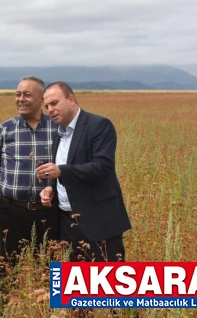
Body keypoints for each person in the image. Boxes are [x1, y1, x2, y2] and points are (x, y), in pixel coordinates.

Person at [37, 81, 132, 262]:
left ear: (71, 99)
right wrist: (50, 188)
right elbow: (60, 168)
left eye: (54, 103)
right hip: (66, 221)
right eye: (47, 106)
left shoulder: (99, 125)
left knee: (107, 283)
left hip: (98, 220)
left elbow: (102, 166)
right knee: (74, 283)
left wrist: (61, 172)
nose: (50, 109)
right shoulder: (58, 134)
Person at [0, 76, 59, 292]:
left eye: (27, 95)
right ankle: (5, 309)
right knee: (7, 266)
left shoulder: (57, 129)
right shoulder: (5, 129)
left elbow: (66, 166)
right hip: (11, 210)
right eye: (17, 94)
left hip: (47, 212)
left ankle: (48, 311)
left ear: (42, 99)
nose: (20, 99)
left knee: (48, 267)